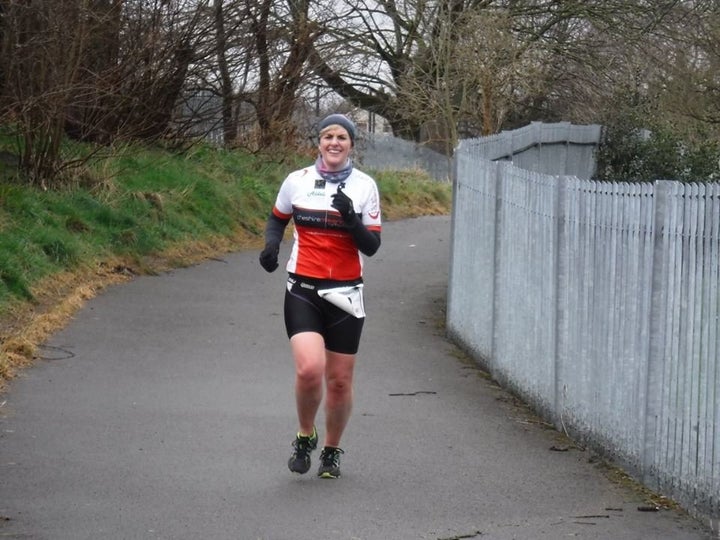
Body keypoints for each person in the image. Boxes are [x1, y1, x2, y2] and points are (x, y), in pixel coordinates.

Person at [258, 113, 382, 479]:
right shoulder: (297, 181)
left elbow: (371, 246)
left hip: (345, 293)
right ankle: (304, 434)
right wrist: (270, 246)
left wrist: (351, 220)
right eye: (328, 136)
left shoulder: (364, 186)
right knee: (310, 369)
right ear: (318, 142)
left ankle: (331, 449)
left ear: (351, 145)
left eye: (342, 137)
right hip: (303, 288)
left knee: (340, 381)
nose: (334, 143)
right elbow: (278, 217)